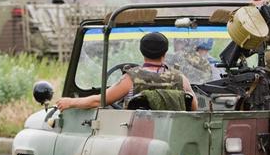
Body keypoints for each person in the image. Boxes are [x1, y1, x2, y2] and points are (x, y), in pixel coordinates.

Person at [56, 32, 198, 111]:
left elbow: (99, 101)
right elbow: (193, 106)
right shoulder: (181, 79)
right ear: (165, 52)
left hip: (136, 137)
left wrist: (70, 102)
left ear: (142, 51)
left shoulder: (131, 78)